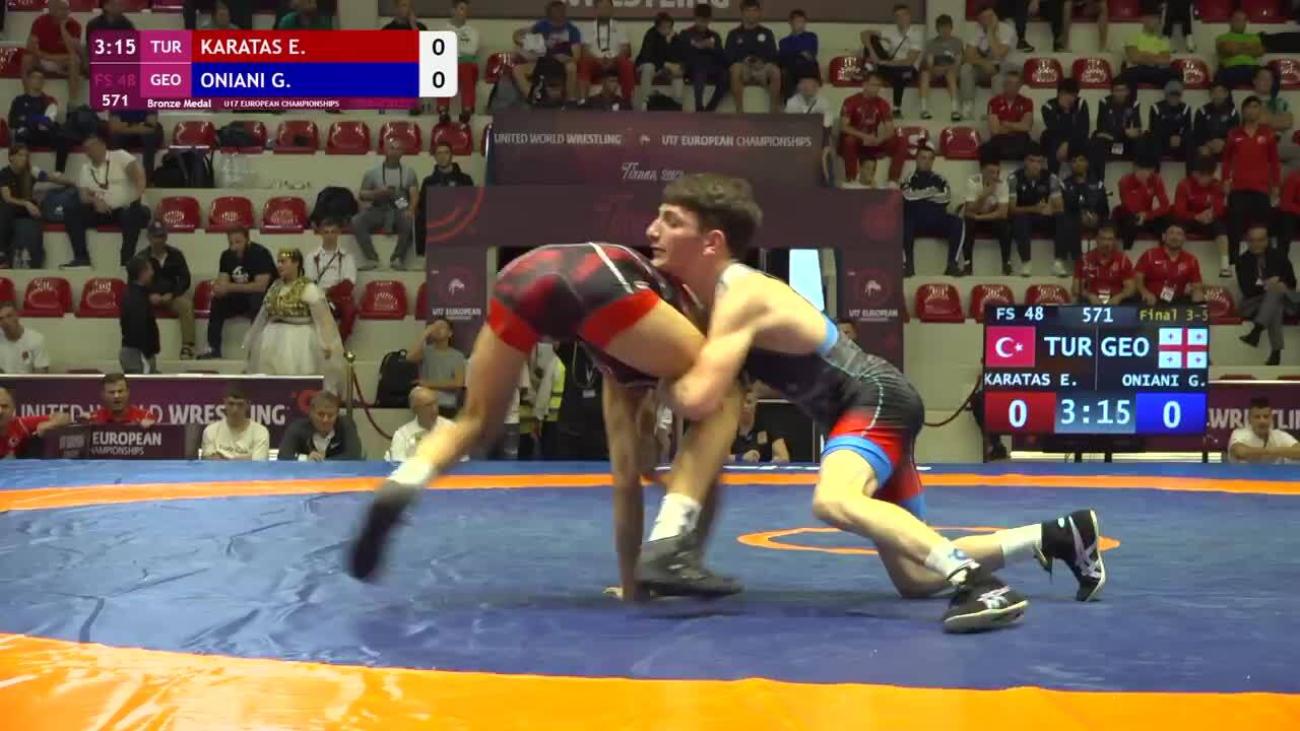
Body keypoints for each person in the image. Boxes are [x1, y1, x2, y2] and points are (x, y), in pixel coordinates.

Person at [649, 174, 1105, 632]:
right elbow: (725, 401)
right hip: (871, 407)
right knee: (916, 578)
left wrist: (654, 377)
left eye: (670, 221)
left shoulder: (740, 293)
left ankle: (980, 585)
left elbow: (699, 399)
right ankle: (1057, 535)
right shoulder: (714, 304)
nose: (653, 230)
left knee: (834, 499)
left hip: (874, 399)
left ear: (712, 242)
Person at [349, 241, 745, 602]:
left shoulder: (634, 349)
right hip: (604, 284)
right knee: (715, 405)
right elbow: (641, 473)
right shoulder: (668, 342)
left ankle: (405, 480)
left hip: (526, 273)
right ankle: (669, 561)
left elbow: (637, 470)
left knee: (475, 420)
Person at [243, 248, 345, 394]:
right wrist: (252, 339)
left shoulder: (308, 288)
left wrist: (328, 344)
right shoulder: (274, 287)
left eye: (284, 262)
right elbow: (262, 316)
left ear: (296, 263)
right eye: (278, 262)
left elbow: (323, 320)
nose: (279, 265)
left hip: (299, 340)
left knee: (295, 382)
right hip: (271, 340)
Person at [67, 135, 151, 269]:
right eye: (86, 149)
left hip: (130, 208)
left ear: (103, 146)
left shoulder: (120, 156)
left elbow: (139, 176)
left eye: (92, 148)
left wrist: (133, 198)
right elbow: (83, 196)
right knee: (72, 210)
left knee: (131, 213)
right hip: (104, 211)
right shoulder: (85, 168)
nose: (88, 152)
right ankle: (81, 258)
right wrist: (95, 201)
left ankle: (127, 260)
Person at [1224, 97, 1281, 269]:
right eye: (1248, 107)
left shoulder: (1268, 133)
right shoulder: (1234, 134)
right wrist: (1225, 180)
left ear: (1260, 111)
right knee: (1234, 228)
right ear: (1243, 111)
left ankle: (1267, 266)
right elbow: (1226, 160)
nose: (1252, 110)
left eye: (1256, 107)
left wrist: (1276, 184)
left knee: (1263, 230)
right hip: (1238, 188)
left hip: (1261, 189)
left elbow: (1274, 161)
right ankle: (1234, 264)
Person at [201, 228, 275, 359]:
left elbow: (260, 286)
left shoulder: (260, 254)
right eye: (231, 243)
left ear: (247, 240)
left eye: (238, 242)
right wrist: (219, 289)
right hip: (240, 296)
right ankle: (213, 349)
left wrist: (228, 287)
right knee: (217, 301)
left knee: (257, 300)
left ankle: (255, 351)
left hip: (262, 296)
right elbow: (223, 282)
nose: (234, 247)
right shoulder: (226, 256)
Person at [1, 145, 73, 270]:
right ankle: (1, 253)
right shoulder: (4, 173)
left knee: (48, 203)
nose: (24, 158)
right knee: (5, 208)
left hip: (26, 209)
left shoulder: (31, 171)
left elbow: (52, 178)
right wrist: (26, 203)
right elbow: (7, 198)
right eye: (20, 155)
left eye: (26, 156)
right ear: (11, 157)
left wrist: (73, 183)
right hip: (9, 209)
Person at [1236, 224, 1299, 366]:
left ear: (1267, 240)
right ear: (1247, 241)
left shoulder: (1279, 256)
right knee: (1275, 299)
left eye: (1260, 240)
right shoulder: (1242, 260)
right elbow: (1247, 290)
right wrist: (1267, 284)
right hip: (1253, 303)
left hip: (1281, 300)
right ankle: (1276, 352)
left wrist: (1282, 283)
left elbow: (1292, 282)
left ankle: (1256, 331)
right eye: (1252, 240)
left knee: (1275, 296)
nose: (1256, 244)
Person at [353, 138, 419, 271]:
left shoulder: (409, 172)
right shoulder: (373, 172)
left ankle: (398, 258)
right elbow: (362, 195)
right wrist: (377, 193)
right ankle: (372, 258)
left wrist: (410, 210)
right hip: (379, 208)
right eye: (392, 148)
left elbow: (414, 195)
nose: (395, 152)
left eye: (398, 149)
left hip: (400, 207)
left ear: (403, 152)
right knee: (357, 221)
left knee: (409, 221)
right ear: (385, 150)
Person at [901, 146, 965, 277]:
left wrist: (919, 195)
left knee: (958, 222)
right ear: (916, 159)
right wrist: (931, 192)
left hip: (937, 220)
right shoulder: (909, 178)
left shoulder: (940, 179)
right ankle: (908, 266)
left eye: (930, 159)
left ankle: (952, 265)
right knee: (903, 222)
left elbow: (946, 198)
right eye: (923, 158)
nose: (926, 161)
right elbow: (907, 196)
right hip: (915, 221)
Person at [1007, 144, 1065, 277]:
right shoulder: (1014, 179)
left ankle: (1058, 263)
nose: (1035, 165)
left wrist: (1050, 208)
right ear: (1025, 161)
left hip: (1044, 217)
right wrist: (1034, 209)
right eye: (1032, 161)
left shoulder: (1051, 178)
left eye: (1039, 161)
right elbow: (1011, 209)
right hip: (1024, 217)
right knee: (1020, 220)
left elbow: (1059, 206)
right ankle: (1026, 263)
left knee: (1062, 217)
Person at [140, 220, 196, 359]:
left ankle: (187, 346)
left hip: (171, 297)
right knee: (135, 306)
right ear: (149, 237)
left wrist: (173, 294)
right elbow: (135, 282)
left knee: (186, 305)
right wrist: (148, 296)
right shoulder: (141, 258)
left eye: (161, 236)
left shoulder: (176, 255)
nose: (158, 240)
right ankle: (139, 346)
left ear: (166, 237)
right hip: (148, 298)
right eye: (155, 237)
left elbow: (185, 279)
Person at [1174, 157, 1231, 277]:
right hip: (1189, 219)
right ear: (1195, 174)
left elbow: (1219, 209)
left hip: (1208, 219)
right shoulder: (1184, 185)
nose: (1206, 179)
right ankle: (1173, 262)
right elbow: (1179, 211)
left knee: (1220, 227)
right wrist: (1195, 216)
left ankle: (1225, 265)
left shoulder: (1216, 185)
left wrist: (1211, 215)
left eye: (1209, 175)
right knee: (1176, 228)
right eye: (1203, 175)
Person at [303, 218, 357, 342]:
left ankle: (339, 343)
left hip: (339, 297)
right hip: (318, 296)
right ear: (321, 234)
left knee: (350, 310)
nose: (329, 235)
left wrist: (330, 292)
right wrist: (321, 295)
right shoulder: (311, 257)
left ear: (338, 233)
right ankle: (322, 344)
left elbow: (349, 283)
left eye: (333, 232)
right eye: (326, 232)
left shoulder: (347, 256)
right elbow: (309, 281)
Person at [863, 3, 922, 115]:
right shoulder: (891, 31)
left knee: (899, 76)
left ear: (909, 16)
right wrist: (872, 52)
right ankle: (870, 68)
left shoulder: (916, 34)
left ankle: (896, 108)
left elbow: (909, 61)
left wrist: (885, 63)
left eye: (904, 15)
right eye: (898, 16)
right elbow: (865, 33)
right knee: (872, 39)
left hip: (908, 69)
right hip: (890, 65)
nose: (901, 18)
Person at [724, 0, 781, 113]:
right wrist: (744, 61)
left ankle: (774, 110)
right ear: (742, 13)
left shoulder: (767, 32)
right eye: (748, 11)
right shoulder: (733, 34)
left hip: (762, 70)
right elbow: (728, 57)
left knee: (775, 70)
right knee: (735, 69)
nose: (751, 14)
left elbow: (773, 54)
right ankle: (739, 110)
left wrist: (762, 62)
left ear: (759, 13)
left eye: (755, 11)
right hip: (744, 70)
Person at [22, 0, 82, 102]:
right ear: (51, 9)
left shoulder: (75, 25)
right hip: (43, 60)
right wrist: (45, 56)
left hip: (63, 62)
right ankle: (28, 99)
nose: (65, 12)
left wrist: (63, 28)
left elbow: (73, 52)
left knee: (74, 60)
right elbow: (30, 47)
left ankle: (73, 102)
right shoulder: (39, 22)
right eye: (61, 9)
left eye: (67, 9)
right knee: (27, 59)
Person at [406, 317, 466, 419]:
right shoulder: (426, 352)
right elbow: (409, 357)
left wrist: (428, 384)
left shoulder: (457, 356)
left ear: (450, 333)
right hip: (424, 404)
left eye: (441, 327)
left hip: (446, 405)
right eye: (435, 327)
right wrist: (425, 334)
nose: (437, 329)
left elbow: (458, 383)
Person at [278, 391, 362, 461]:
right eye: (321, 414)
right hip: (306, 474)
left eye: (330, 415)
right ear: (311, 413)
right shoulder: (297, 428)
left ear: (337, 415)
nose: (325, 420)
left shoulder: (346, 425)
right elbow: (283, 455)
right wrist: (306, 459)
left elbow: (354, 455)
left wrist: (322, 462)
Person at [577, 0, 634, 103]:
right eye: (601, 8)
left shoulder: (620, 26)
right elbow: (585, 51)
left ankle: (627, 102)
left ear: (612, 10)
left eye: (607, 8)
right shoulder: (587, 27)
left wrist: (614, 59)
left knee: (627, 65)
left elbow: (626, 50)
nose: (604, 11)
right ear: (595, 10)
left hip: (615, 61)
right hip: (595, 61)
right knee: (584, 63)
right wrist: (598, 60)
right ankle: (583, 102)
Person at [1135, 223, 1205, 306]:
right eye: (1171, 233)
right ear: (1164, 237)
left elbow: (1197, 285)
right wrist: (1145, 293)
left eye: (1179, 234)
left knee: (1199, 296)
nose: (1175, 237)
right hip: (1152, 300)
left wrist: (1194, 290)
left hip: (1178, 300)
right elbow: (1137, 278)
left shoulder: (1191, 260)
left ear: (1184, 238)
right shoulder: (1149, 255)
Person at [200, 386, 270, 460]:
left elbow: (258, 464)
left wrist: (223, 458)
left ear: (248, 405)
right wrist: (248, 458)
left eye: (240, 404)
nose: (235, 410)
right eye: (231, 404)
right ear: (225, 403)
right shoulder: (210, 431)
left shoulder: (260, 432)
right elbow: (209, 462)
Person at [387, 385, 455, 461]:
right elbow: (397, 462)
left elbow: (463, 460)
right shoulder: (402, 435)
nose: (434, 410)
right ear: (415, 410)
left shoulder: (451, 428)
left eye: (435, 403)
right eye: (428, 405)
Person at [1072, 222, 1135, 305]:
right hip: (1091, 301)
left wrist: (1119, 297)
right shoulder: (1084, 260)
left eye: (1110, 239)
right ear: (1097, 240)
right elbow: (1076, 288)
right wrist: (1090, 296)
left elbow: (1131, 289)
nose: (1106, 243)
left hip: (1116, 301)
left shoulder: (1123, 260)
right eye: (1103, 239)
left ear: (1114, 241)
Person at [0, 386, 70, 459]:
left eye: (4, 406)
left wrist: (50, 424)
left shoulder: (21, 425)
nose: (0, 411)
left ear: (13, 408)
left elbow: (64, 417)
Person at [1039, 79, 1090, 177]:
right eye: (1070, 95)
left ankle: (1089, 180)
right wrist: (1065, 112)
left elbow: (1084, 129)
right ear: (1060, 93)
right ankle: (1053, 178)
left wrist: (1067, 143)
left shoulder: (1081, 103)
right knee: (1051, 139)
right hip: (1055, 140)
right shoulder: (1048, 106)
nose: (1072, 99)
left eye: (1075, 96)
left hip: (1075, 140)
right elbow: (1055, 129)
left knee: (1088, 142)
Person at [916, 14, 963, 122]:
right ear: (937, 29)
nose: (945, 30)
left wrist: (946, 68)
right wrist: (934, 69)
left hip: (951, 69)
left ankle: (955, 110)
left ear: (951, 28)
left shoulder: (957, 42)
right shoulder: (931, 43)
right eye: (942, 28)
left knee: (951, 74)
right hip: (935, 69)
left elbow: (958, 62)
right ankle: (924, 109)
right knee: (924, 74)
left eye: (947, 27)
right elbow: (929, 63)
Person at [1227, 397, 1300, 464]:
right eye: (1257, 417)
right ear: (1249, 419)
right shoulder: (1239, 434)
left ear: (1271, 418)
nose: (1262, 421)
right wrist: (1272, 451)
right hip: (1244, 474)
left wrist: (1271, 451)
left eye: (1266, 416)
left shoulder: (1279, 435)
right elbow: (1240, 452)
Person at [119, 256, 160, 374]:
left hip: (138, 353)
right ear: (142, 273)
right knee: (143, 384)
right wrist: (147, 352)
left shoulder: (136, 294)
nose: (152, 273)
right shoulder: (137, 299)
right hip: (139, 354)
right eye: (150, 269)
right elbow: (138, 327)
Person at [731, 386, 789, 463]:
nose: (745, 406)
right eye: (741, 403)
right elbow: (719, 458)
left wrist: (776, 461)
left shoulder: (768, 425)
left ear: (755, 404)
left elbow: (783, 456)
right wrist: (741, 458)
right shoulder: (728, 427)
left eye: (749, 402)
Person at [0, 300, 50, 374]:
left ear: (17, 316)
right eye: (1, 318)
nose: (5, 322)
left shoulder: (36, 339)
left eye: (9, 316)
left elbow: (41, 374)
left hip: (28, 381)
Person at [88, 373, 157, 426]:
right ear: (103, 395)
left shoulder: (145, 416)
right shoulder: (93, 419)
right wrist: (84, 426)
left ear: (128, 392)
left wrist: (153, 428)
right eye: (112, 392)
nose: (116, 396)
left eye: (120, 391)